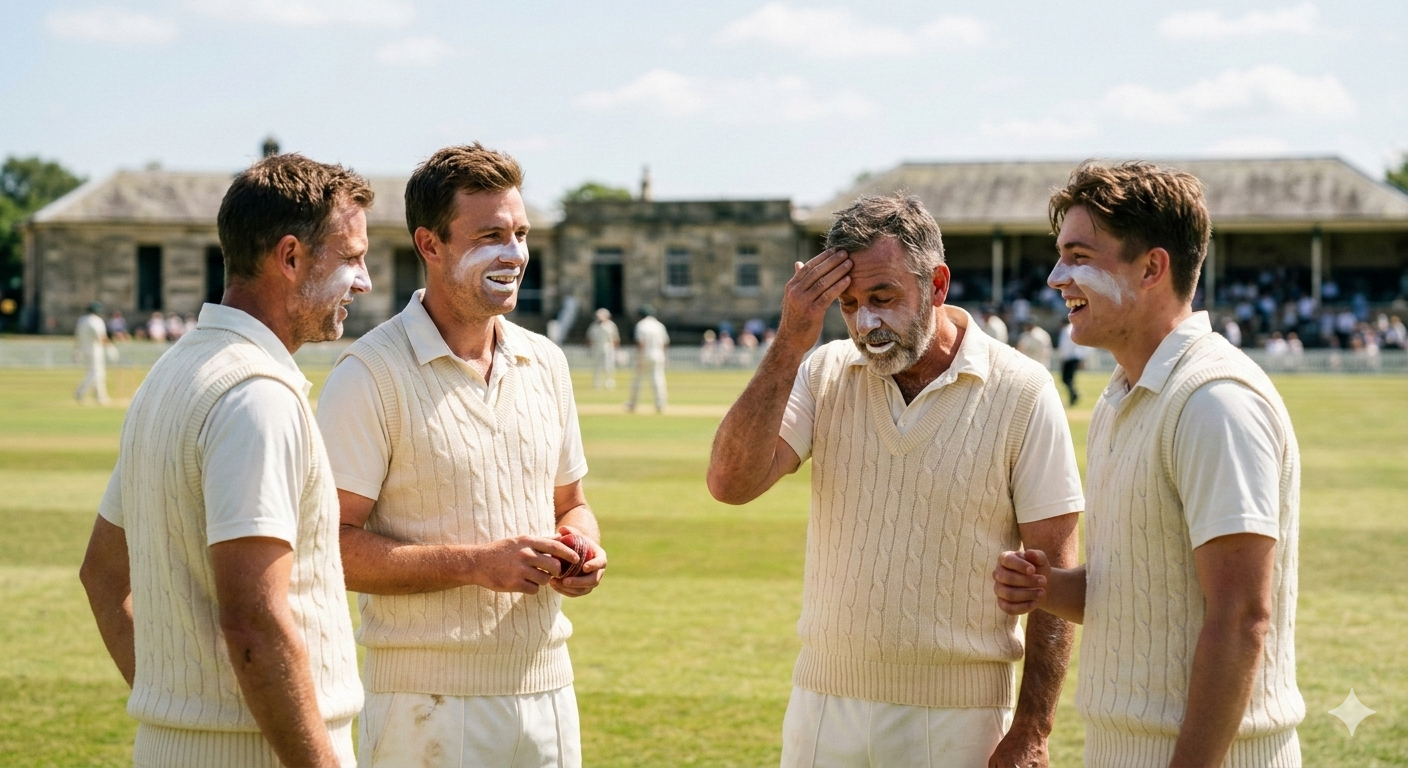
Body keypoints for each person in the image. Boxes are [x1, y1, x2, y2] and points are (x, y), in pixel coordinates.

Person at [708, 194, 1084, 768]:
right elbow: (731, 483)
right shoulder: (823, 370)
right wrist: (790, 342)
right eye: (848, 303)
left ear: (937, 284)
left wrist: (1034, 728)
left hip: (962, 718)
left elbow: (1052, 569)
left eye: (883, 298)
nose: (866, 323)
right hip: (823, 705)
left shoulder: (1023, 390)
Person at [993, 161, 1304, 767]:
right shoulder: (1120, 398)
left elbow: (1241, 617)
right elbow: (1138, 593)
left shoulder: (1216, 401)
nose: (1056, 278)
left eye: (1079, 257)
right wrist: (1048, 588)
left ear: (1152, 268)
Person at [315, 143, 605, 768]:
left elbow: (572, 503)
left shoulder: (546, 362)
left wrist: (581, 547)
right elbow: (328, 547)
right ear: (430, 245)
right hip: (425, 705)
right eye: (490, 236)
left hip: (549, 690)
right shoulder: (369, 373)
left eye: (520, 234)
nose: (514, 254)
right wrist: (476, 564)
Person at [79, 153, 373, 767]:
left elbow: (102, 576)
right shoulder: (257, 396)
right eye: (351, 258)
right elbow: (255, 623)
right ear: (290, 257)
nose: (364, 281)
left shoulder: (172, 373)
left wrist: (183, 710)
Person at [626, 304, 669, 412]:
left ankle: (632, 404)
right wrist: (665, 356)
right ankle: (660, 404)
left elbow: (641, 343)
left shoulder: (641, 325)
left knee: (637, 380)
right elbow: (665, 343)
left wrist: (639, 358)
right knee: (658, 379)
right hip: (658, 355)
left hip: (645, 354)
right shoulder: (659, 325)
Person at [73, 301, 111, 405]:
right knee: (96, 373)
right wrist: (110, 348)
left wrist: (76, 351)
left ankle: (100, 396)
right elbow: (101, 336)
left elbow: (77, 336)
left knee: (96, 372)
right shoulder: (97, 321)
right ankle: (80, 392)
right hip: (95, 349)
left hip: (83, 348)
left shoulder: (82, 320)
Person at [586, 307, 620, 389]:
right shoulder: (593, 326)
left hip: (608, 347)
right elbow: (590, 338)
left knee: (609, 365)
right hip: (597, 347)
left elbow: (615, 338)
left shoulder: (611, 325)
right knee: (597, 366)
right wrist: (590, 348)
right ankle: (597, 383)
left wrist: (616, 349)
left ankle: (610, 383)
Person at [1056, 318, 1086, 406]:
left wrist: (1062, 358)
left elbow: (1065, 347)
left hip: (1070, 358)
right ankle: (1073, 395)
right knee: (1067, 379)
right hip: (1072, 357)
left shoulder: (1067, 331)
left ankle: (1074, 395)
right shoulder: (1069, 330)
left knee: (1067, 379)